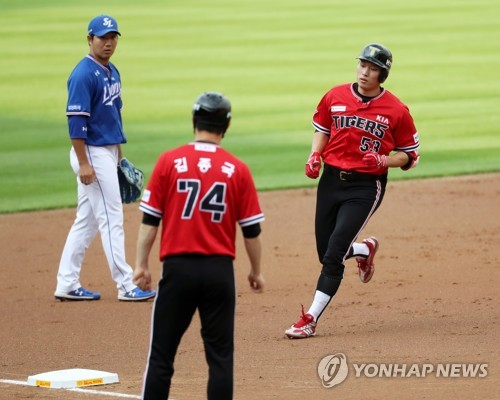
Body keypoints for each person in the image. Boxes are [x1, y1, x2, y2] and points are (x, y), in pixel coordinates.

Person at [134, 92, 265, 399]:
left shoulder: (169, 161)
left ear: (194, 121)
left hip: (178, 270)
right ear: (226, 125)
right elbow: (252, 231)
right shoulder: (238, 169)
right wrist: (256, 271)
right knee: (220, 358)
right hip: (219, 273)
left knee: (161, 357)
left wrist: (141, 265)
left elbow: (149, 222)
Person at [285, 43, 420, 339]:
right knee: (326, 252)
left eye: (372, 68)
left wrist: (385, 160)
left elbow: (410, 154)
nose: (364, 72)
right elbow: (322, 128)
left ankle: (309, 319)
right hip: (331, 181)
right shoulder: (335, 95)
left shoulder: (397, 110)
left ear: (382, 74)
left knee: (333, 255)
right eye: (362, 65)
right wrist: (314, 155)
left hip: (365, 187)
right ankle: (364, 249)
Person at [54, 15, 156, 302]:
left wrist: (119, 157)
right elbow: (76, 122)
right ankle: (126, 286)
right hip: (91, 153)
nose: (109, 42)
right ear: (90, 39)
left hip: (107, 151)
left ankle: (66, 282)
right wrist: (84, 163)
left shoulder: (112, 71)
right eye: (102, 37)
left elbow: (113, 115)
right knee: (112, 219)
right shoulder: (83, 74)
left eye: (113, 37)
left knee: (85, 221)